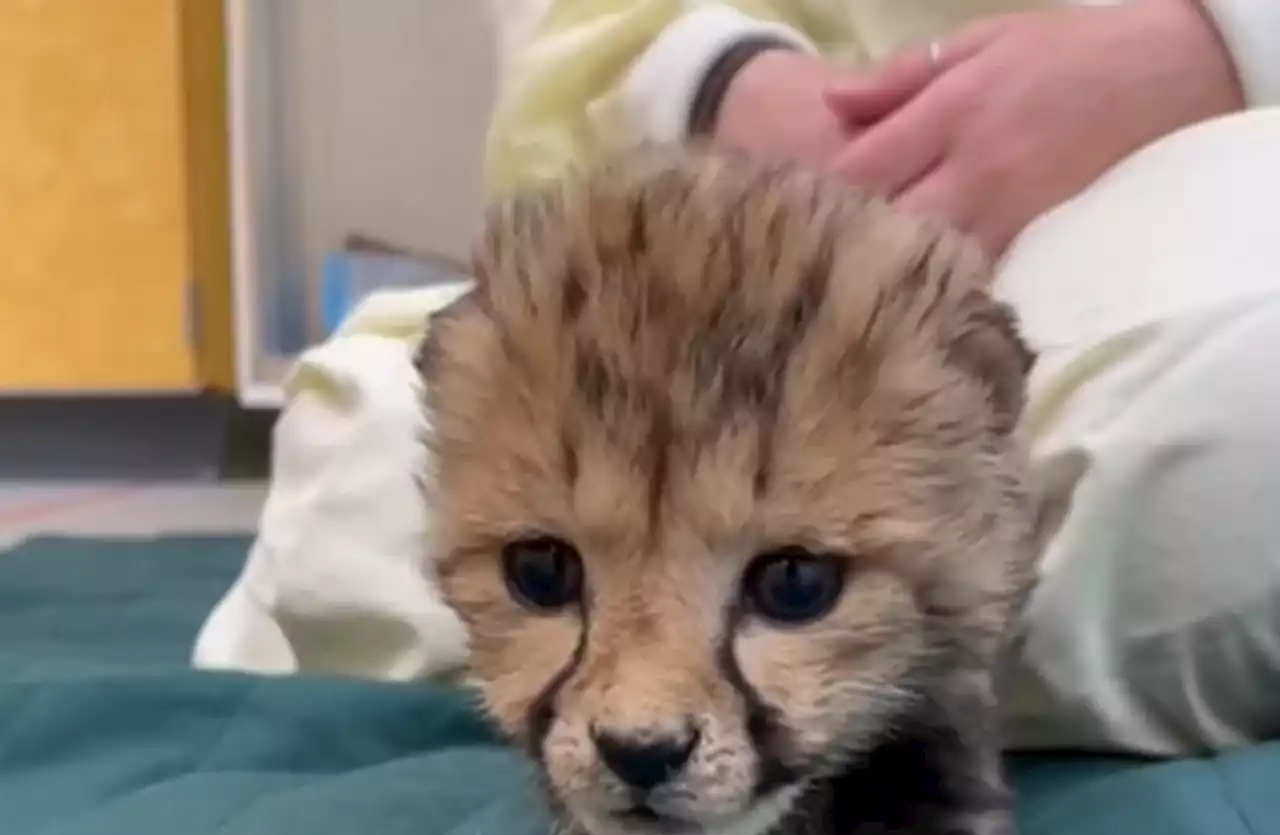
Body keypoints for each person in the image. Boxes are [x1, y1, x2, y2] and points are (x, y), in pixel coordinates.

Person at [198, 1, 1280, 756]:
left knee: (1232, 443)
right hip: (757, 190)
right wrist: (716, 76)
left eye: (793, 583)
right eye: (545, 572)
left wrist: (1222, 42)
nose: (638, 723)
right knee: (357, 438)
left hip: (1213, 163)